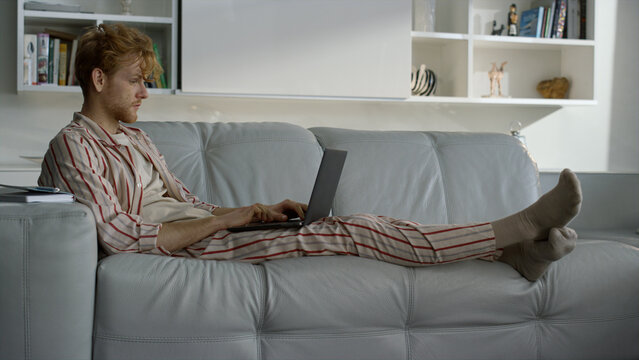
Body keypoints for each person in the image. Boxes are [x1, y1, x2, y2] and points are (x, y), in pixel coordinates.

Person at [39, 24, 582, 282]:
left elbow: (188, 206)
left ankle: (514, 255)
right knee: (353, 228)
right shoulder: (74, 146)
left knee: (352, 222)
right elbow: (121, 236)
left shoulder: (136, 139)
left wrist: (256, 212)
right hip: (187, 254)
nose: (144, 92)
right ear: (97, 77)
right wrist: (233, 219)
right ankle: (518, 227)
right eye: (135, 81)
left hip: (212, 236)